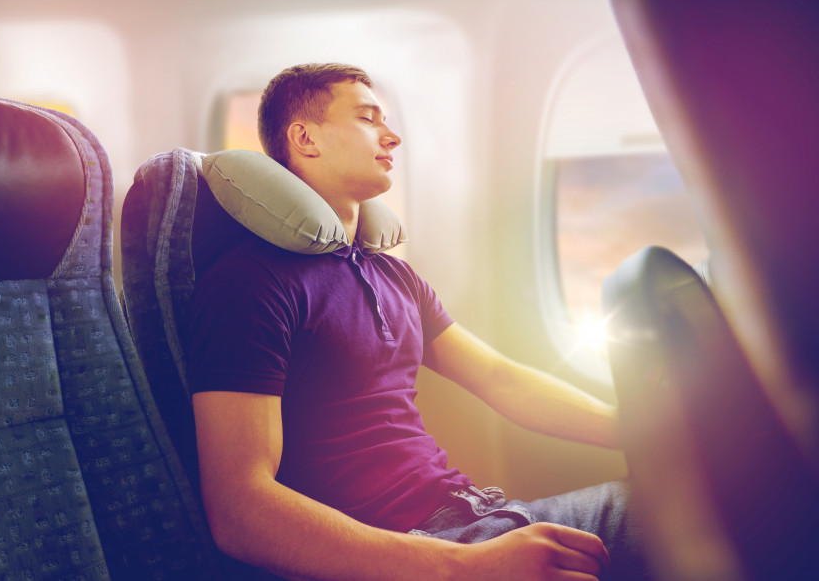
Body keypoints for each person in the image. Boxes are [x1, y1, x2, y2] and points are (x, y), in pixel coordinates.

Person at [186, 63, 649, 580]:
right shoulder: (251, 283)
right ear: (304, 138)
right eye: (367, 118)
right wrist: (469, 567)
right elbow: (240, 511)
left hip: (474, 517)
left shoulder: (394, 275)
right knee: (675, 512)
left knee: (691, 488)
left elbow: (501, 379)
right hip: (414, 547)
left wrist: (640, 431)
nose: (393, 135)